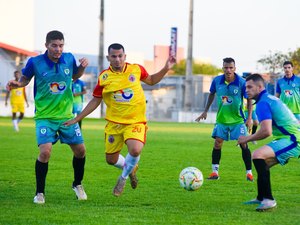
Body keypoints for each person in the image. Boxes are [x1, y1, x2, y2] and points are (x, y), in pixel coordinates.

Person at [64, 43, 176, 197]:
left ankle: (122, 178)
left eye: (120, 56)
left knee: (135, 149)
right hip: (114, 124)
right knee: (111, 160)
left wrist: (165, 68)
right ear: (108, 57)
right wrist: (78, 118)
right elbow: (96, 100)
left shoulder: (136, 69)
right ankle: (131, 169)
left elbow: (151, 80)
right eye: (114, 56)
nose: (117, 59)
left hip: (135, 122)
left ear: (125, 56)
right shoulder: (104, 77)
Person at [6, 30, 89, 204]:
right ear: (46, 45)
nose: (58, 49)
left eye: (61, 45)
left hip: (66, 115)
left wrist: (81, 67)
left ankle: (77, 184)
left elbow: (74, 76)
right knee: (45, 152)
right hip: (45, 116)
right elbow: (24, 80)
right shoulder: (35, 62)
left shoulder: (68, 58)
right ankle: (39, 193)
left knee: (81, 151)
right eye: (54, 45)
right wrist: (17, 84)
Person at [238, 73, 300, 212]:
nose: (246, 90)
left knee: (257, 155)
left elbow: (266, 131)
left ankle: (269, 200)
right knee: (262, 163)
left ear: (260, 87)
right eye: (245, 87)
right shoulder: (268, 98)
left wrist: (246, 138)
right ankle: (261, 197)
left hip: (293, 139)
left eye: (249, 87)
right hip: (289, 137)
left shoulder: (263, 103)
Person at [195, 57, 253, 181]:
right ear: (223, 68)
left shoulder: (242, 82)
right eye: (226, 67)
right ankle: (215, 173)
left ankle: (249, 173)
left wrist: (249, 118)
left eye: (231, 67)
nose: (228, 70)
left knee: (243, 144)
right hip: (221, 120)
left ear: (235, 69)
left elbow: (249, 99)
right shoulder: (216, 81)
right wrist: (205, 111)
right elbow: (211, 94)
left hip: (238, 120)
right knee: (217, 143)